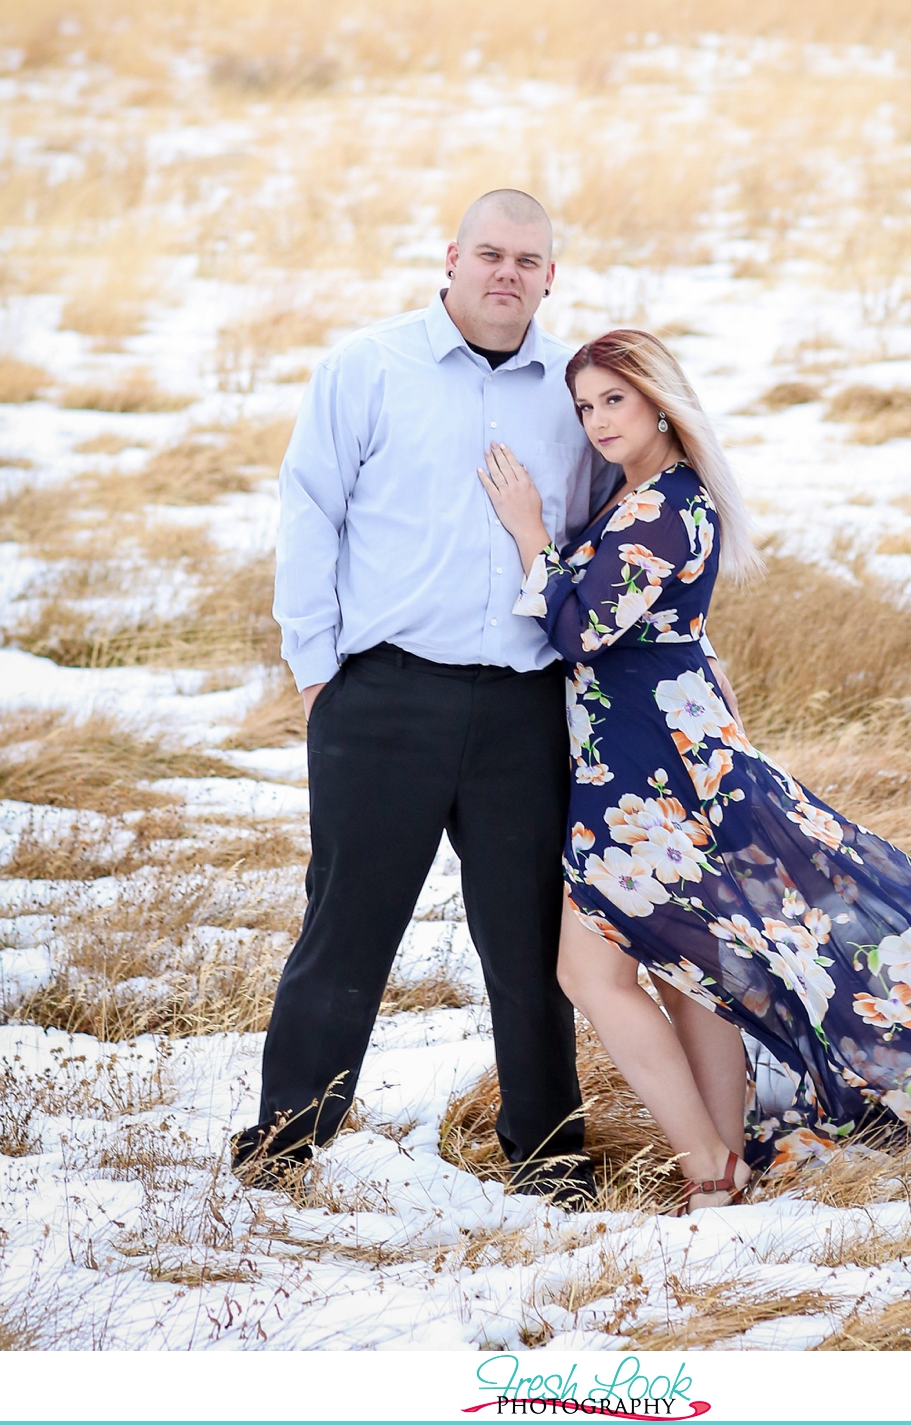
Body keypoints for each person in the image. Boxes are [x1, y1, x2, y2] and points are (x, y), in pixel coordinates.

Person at [480, 329, 911, 1210]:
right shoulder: (649, 496)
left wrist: (530, 531)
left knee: (591, 972)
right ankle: (719, 1167)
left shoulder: (666, 503)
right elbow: (654, 621)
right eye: (584, 406)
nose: (597, 419)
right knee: (690, 966)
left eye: (613, 398)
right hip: (648, 752)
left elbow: (582, 631)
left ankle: (707, 1164)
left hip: (653, 774)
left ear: (660, 398)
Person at [231, 192, 612, 1203]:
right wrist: (315, 668)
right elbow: (309, 509)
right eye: (490, 252)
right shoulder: (369, 366)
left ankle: (550, 1156)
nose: (507, 272)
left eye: (528, 258)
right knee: (346, 926)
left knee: (530, 940)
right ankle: (281, 1145)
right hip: (384, 696)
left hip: (525, 711)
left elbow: (587, 539)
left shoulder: (574, 390)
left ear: (550, 275)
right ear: (451, 257)